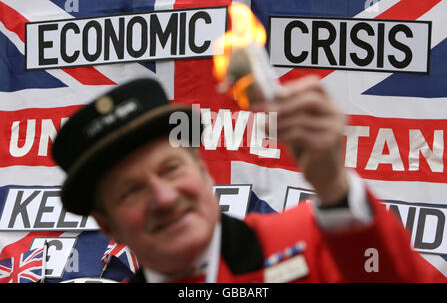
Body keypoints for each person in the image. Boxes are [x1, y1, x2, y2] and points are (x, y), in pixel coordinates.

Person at [51, 77, 445, 283]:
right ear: (106, 224)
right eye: (131, 190)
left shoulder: (312, 243)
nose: (164, 197)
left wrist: (336, 189)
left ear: (203, 172)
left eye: (171, 169)